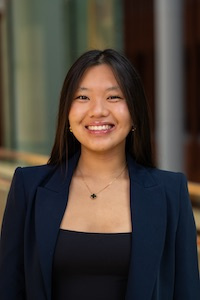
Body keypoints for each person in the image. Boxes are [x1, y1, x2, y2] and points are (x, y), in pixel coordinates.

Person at [0, 49, 200, 300]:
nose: (98, 111)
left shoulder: (171, 192)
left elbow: (187, 292)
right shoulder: (28, 188)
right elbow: (9, 289)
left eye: (114, 97)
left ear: (134, 111)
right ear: (67, 113)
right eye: (83, 97)